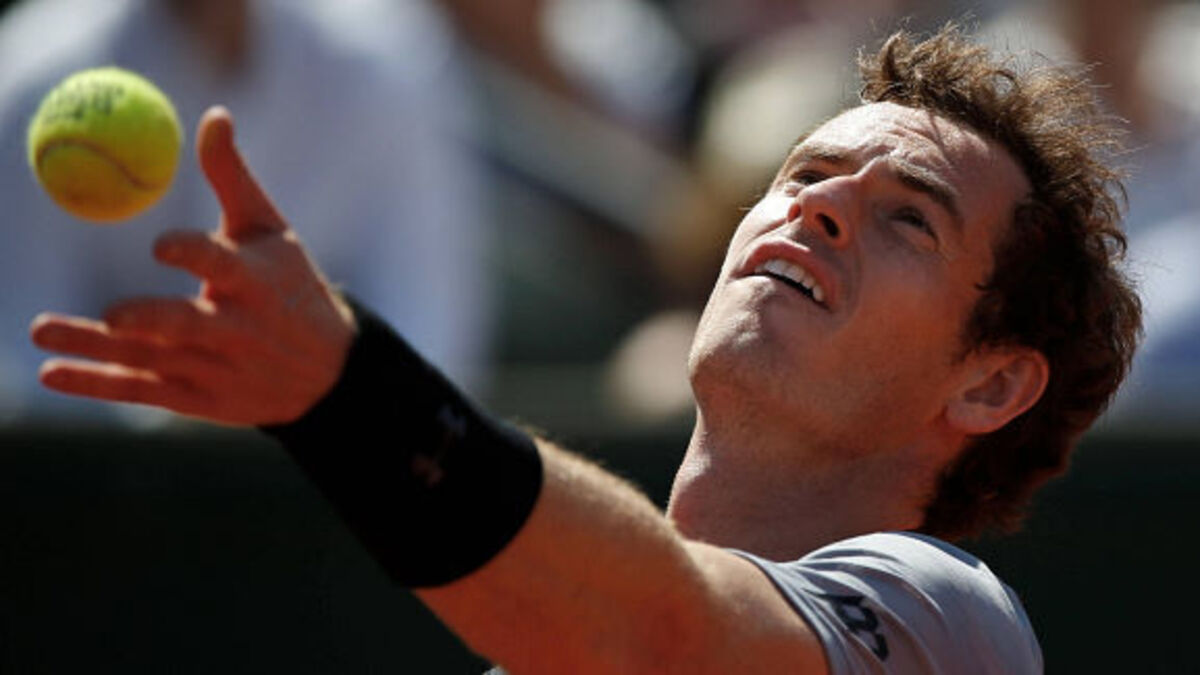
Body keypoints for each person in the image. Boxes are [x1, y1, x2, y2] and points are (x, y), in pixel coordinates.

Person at [29, 25, 1139, 674]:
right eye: (803, 175)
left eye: (909, 218)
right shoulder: (551, 647)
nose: (818, 207)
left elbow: (665, 636)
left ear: (991, 381)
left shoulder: (948, 620)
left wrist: (346, 386)